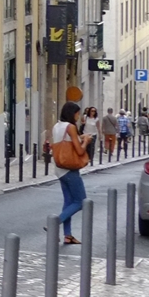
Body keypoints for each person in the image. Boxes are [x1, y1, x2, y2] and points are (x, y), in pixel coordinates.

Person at [51, 101, 86, 245]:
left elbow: (65, 142)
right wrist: (86, 141)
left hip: (60, 169)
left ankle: (68, 235)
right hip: (70, 169)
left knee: (69, 202)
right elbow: (80, 151)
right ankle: (55, 223)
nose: (78, 116)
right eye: (77, 113)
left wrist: (80, 138)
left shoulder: (56, 126)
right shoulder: (71, 127)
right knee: (81, 201)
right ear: (72, 113)